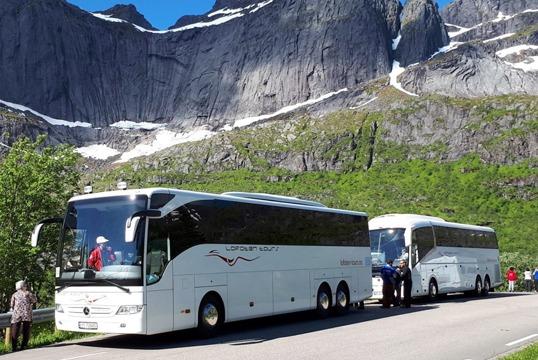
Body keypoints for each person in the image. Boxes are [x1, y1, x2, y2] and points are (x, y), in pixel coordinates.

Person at [10, 280, 37, 352]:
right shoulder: (28, 293)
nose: (26, 287)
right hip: (26, 314)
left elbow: (11, 305)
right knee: (26, 330)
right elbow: (34, 301)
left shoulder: (14, 294)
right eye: (25, 286)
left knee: (15, 330)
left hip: (16, 314)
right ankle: (23, 346)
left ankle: (14, 347)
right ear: (23, 287)